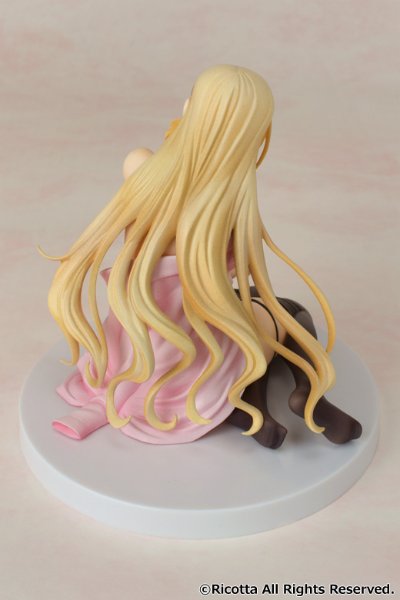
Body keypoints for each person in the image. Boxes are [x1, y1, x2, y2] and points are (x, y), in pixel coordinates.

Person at [41, 65, 361, 447]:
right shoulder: (231, 205)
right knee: (286, 313)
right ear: (255, 134)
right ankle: (310, 397)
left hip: (133, 341)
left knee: (244, 322)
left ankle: (252, 410)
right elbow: (233, 280)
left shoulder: (139, 166)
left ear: (189, 106)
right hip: (193, 342)